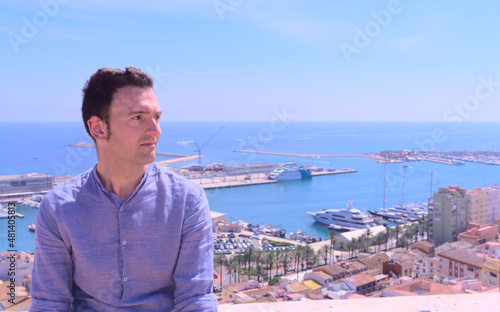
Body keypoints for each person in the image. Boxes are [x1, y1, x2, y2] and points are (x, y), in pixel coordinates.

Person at [30, 67, 218, 311]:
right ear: (98, 128)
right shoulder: (57, 207)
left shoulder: (188, 200)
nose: (156, 130)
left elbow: (196, 299)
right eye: (138, 117)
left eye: (157, 117)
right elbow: (49, 302)